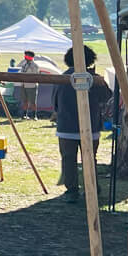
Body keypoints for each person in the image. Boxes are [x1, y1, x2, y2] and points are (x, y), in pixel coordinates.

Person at [54, 45, 112, 204]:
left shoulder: (62, 78)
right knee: (89, 159)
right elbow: (106, 97)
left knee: (68, 159)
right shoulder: (95, 79)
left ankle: (72, 189)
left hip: (66, 126)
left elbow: (55, 103)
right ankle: (91, 187)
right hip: (90, 125)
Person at [18, 51, 39, 118]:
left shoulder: (34, 65)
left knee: (32, 102)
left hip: (31, 85)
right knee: (25, 101)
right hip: (23, 85)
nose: (25, 57)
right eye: (25, 56)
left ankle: (34, 115)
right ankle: (24, 114)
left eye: (26, 56)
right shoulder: (24, 64)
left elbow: (36, 75)